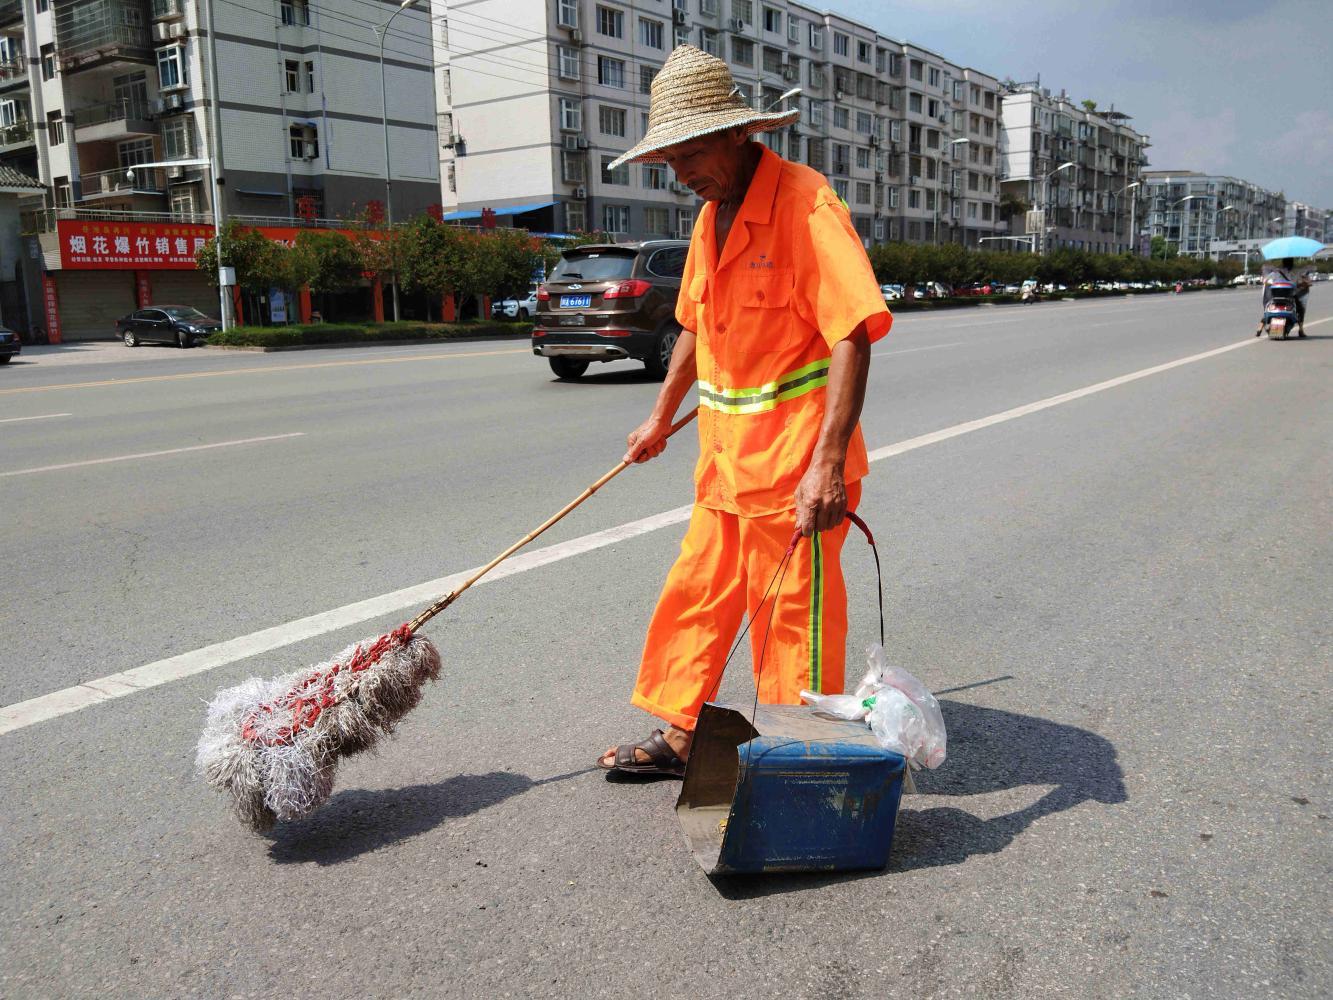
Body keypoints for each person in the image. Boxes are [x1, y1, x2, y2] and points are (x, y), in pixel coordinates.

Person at [596, 45, 893, 776]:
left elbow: (852, 333)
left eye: (691, 153)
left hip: (795, 469)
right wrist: (659, 418)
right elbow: (695, 326)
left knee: (790, 617)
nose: (681, 172)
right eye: (669, 160)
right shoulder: (710, 217)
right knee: (696, 593)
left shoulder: (806, 204)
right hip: (725, 463)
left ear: (737, 133)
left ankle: (794, 757)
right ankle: (682, 733)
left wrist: (827, 466)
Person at [1255, 257, 1310, 337]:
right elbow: (1298, 284)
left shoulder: (1276, 272)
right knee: (1300, 309)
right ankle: (1301, 330)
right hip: (1290, 297)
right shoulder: (1294, 273)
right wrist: (1305, 284)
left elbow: (1265, 280)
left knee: (1270, 309)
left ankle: (1259, 328)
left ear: (1283, 263)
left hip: (1275, 297)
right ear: (1292, 264)